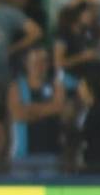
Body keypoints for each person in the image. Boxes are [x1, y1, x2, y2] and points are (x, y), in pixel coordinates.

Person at [7, 46, 64, 174]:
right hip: (22, 155)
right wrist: (48, 110)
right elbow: (18, 115)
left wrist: (30, 109)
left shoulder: (55, 85)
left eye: (43, 61)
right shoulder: (16, 87)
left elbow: (59, 108)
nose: (40, 65)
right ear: (27, 64)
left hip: (50, 154)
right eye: (35, 62)